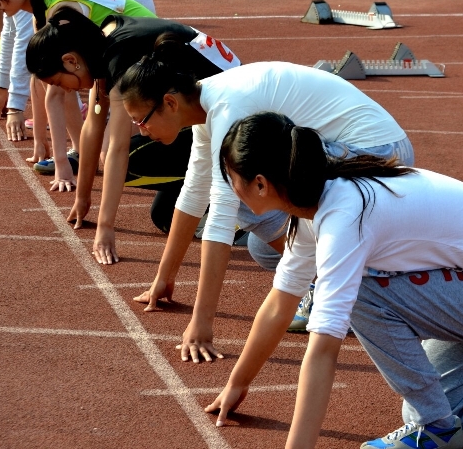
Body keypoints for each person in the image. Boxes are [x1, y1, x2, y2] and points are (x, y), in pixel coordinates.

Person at [205, 112, 463, 449]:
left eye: (230, 176)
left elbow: (323, 349)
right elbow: (280, 303)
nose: (227, 186)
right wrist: (238, 383)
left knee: (359, 293)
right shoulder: (319, 203)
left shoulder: (345, 215)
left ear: (260, 183)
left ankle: (435, 430)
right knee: (444, 406)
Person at [118, 60, 414, 362]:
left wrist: (202, 323)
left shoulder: (226, 106)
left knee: (243, 195)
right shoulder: (204, 111)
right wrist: (164, 278)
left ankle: (356, 281)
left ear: (169, 103)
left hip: (379, 152)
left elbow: (221, 213)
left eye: (141, 120)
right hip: (350, 150)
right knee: (264, 249)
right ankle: (338, 272)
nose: (140, 131)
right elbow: (194, 190)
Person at [17, 9, 241, 263]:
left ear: (71, 61)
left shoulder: (121, 54)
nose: (65, 89)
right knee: (164, 215)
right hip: (207, 116)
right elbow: (93, 124)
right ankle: (229, 207)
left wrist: (105, 226)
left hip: (231, 121)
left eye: (58, 82)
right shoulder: (103, 42)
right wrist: (83, 198)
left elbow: (117, 147)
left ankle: (236, 195)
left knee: (131, 161)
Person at [0, 0, 156, 194]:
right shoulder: (43, 8)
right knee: (68, 85)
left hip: (146, 54)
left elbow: (55, 94)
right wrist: (40, 139)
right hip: (124, 57)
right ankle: (83, 152)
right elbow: (42, 79)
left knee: (110, 154)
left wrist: (61, 165)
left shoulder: (60, 11)